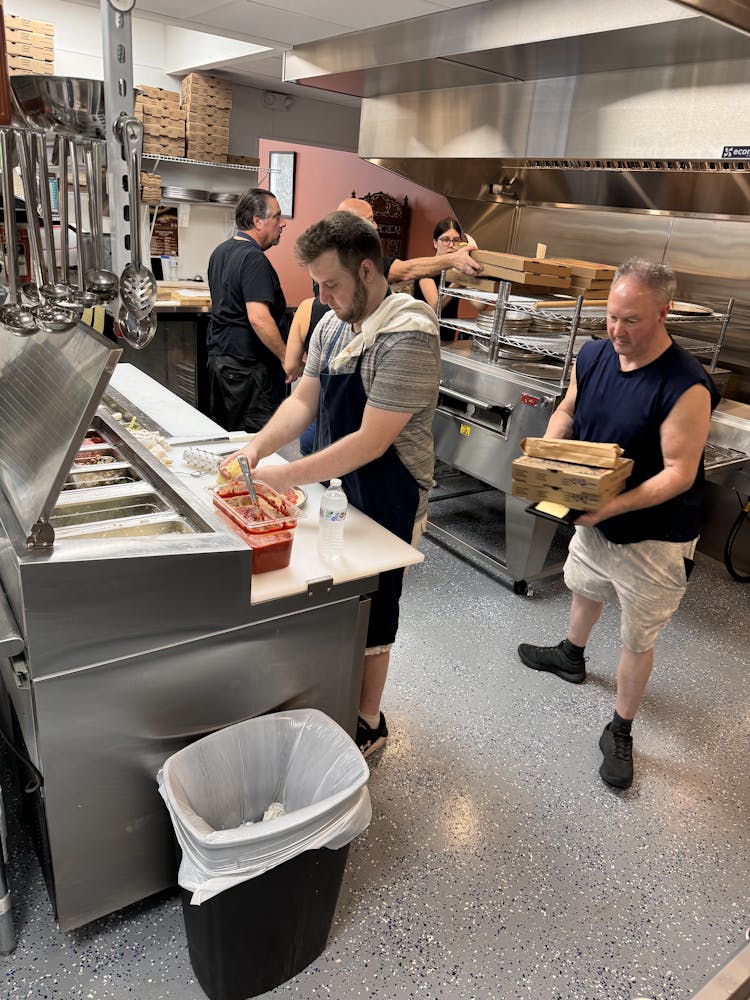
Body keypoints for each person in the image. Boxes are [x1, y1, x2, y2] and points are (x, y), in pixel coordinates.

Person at [221, 210, 442, 757]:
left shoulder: (407, 332)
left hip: (389, 492)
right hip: (337, 486)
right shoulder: (332, 324)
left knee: (376, 607)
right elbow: (304, 399)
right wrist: (257, 448)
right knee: (331, 593)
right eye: (317, 284)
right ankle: (327, 695)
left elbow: (372, 440)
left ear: (367, 270)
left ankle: (368, 720)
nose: (322, 296)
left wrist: (285, 475)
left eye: (331, 283)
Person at [517, 258, 720, 791]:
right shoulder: (593, 355)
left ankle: (621, 728)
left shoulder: (685, 385)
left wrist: (610, 507)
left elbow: (679, 473)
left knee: (637, 634)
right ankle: (571, 654)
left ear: (663, 313)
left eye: (631, 320)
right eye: (611, 316)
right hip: (594, 509)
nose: (616, 330)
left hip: (656, 535)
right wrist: (550, 459)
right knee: (585, 584)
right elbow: (568, 410)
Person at [206, 188, 291, 432]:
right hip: (247, 369)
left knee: (227, 437)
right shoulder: (254, 259)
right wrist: (286, 356)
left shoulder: (220, 252)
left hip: (221, 361)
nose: (283, 223)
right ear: (257, 221)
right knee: (253, 442)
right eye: (277, 216)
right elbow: (258, 318)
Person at [411, 217, 466, 341]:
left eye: (456, 240)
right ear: (435, 243)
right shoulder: (427, 269)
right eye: (445, 240)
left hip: (448, 338)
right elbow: (436, 307)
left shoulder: (457, 272)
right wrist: (458, 281)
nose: (451, 245)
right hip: (423, 337)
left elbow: (479, 306)